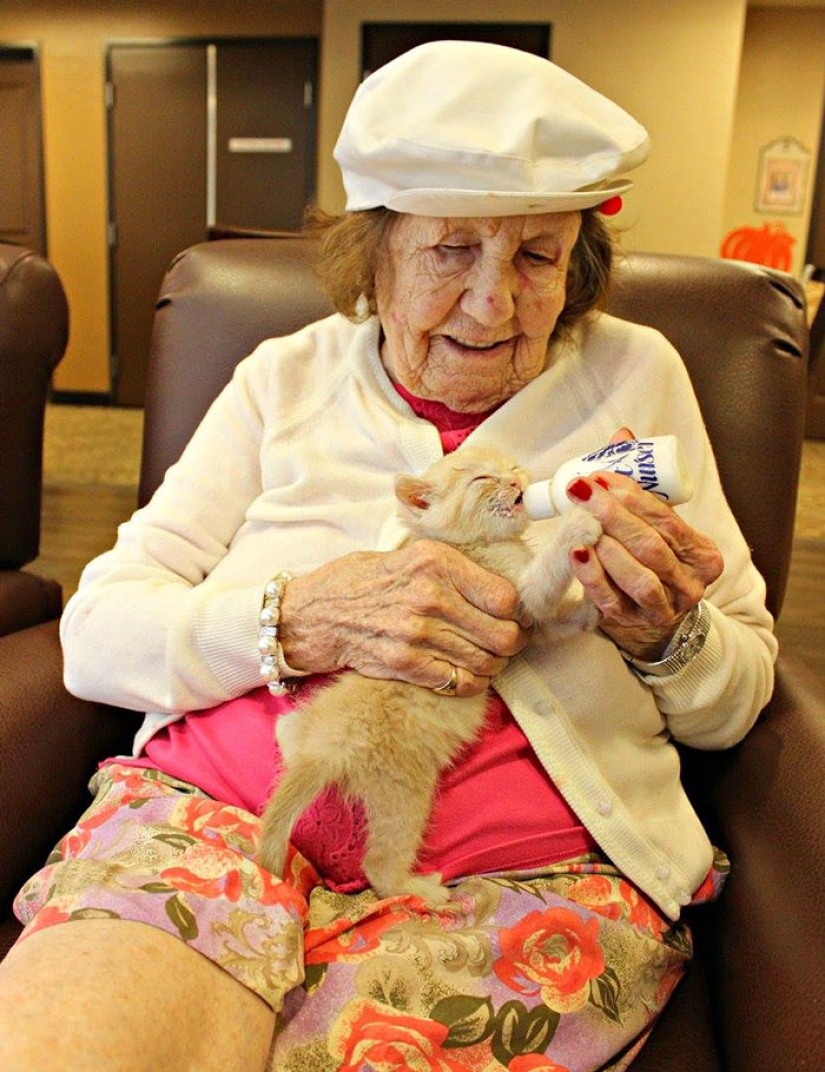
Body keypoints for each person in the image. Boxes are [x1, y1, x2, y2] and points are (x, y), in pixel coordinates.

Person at [0, 41, 775, 1072]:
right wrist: (298, 615)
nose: (495, 304)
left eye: (538, 257)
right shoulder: (282, 378)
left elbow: (739, 695)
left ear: (578, 264)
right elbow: (98, 633)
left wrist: (669, 637)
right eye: (452, 252)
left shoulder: (638, 377)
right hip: (216, 818)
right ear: (375, 256)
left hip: (515, 880)